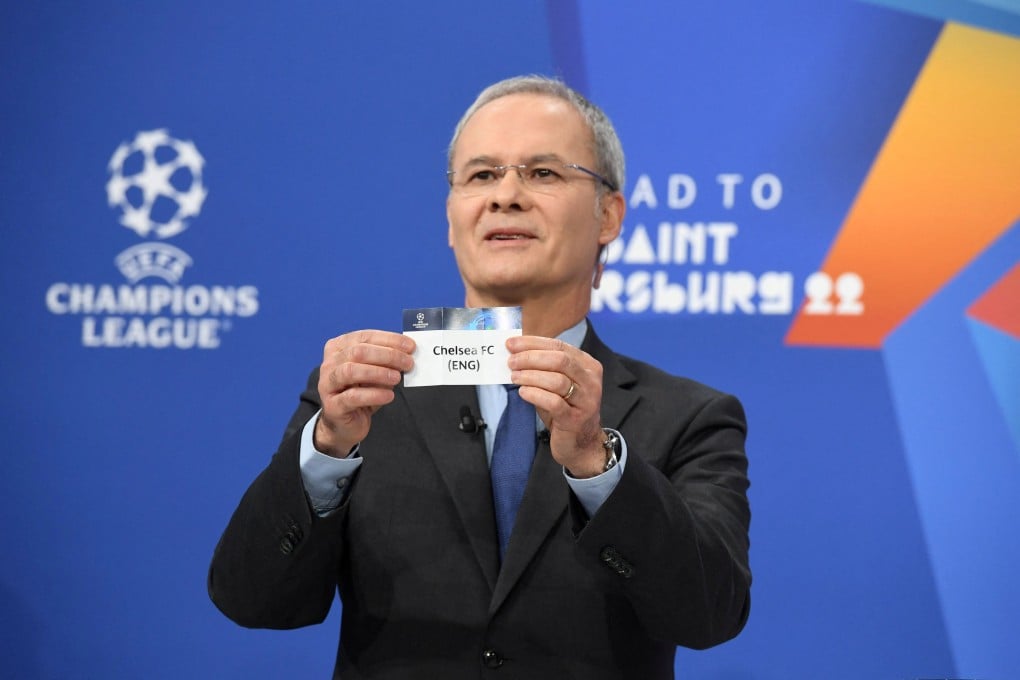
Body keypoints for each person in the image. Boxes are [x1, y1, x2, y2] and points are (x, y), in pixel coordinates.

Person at [209, 75, 751, 679]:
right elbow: (251, 599)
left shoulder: (690, 417)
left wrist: (598, 466)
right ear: (452, 217)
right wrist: (327, 451)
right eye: (482, 175)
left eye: (543, 173)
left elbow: (711, 614)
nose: (506, 196)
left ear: (608, 215)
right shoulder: (361, 398)